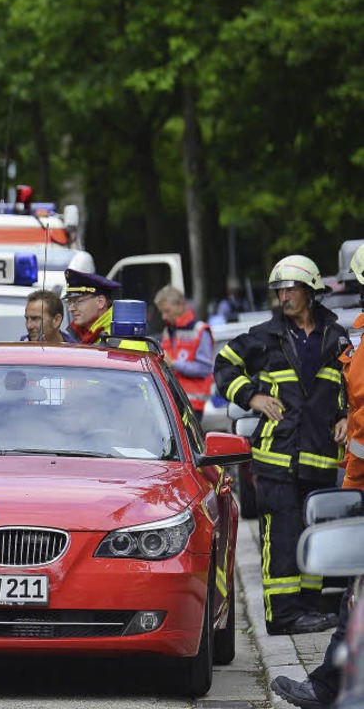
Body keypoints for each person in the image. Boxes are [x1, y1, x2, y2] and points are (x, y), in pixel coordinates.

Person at [215, 255, 348, 636]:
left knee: (315, 533)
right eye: (279, 290)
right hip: (277, 458)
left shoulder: (335, 335)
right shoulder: (265, 335)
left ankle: (310, 610)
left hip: (319, 455)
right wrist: (252, 397)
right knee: (283, 536)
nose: (284, 296)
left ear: (310, 290)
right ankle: (282, 616)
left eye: (290, 288)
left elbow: (343, 386)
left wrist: (343, 416)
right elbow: (224, 366)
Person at [270, 246, 364, 709]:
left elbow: (361, 419)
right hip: (298, 464)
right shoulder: (347, 339)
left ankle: (328, 687)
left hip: (353, 480)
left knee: (356, 598)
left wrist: (351, 488)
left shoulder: (344, 340)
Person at [154, 285, 214, 419]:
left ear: (181, 305)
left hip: (191, 406)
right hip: (171, 401)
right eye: (161, 312)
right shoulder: (168, 331)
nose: (164, 316)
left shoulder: (200, 330)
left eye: (167, 311)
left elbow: (204, 368)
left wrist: (174, 364)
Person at [63, 269, 121, 344]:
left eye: (77, 302)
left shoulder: (121, 339)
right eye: (69, 302)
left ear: (100, 302)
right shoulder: (80, 335)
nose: (70, 309)